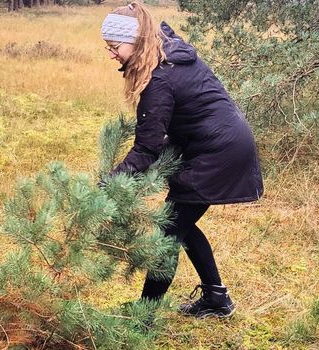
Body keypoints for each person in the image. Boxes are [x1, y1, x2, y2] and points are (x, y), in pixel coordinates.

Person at [100, 2, 264, 318]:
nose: (111, 54)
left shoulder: (159, 78)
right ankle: (217, 299)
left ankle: (144, 315)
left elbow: (147, 148)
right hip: (215, 144)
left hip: (217, 153)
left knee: (169, 231)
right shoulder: (165, 54)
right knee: (183, 225)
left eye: (114, 46)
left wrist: (111, 184)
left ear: (136, 40)